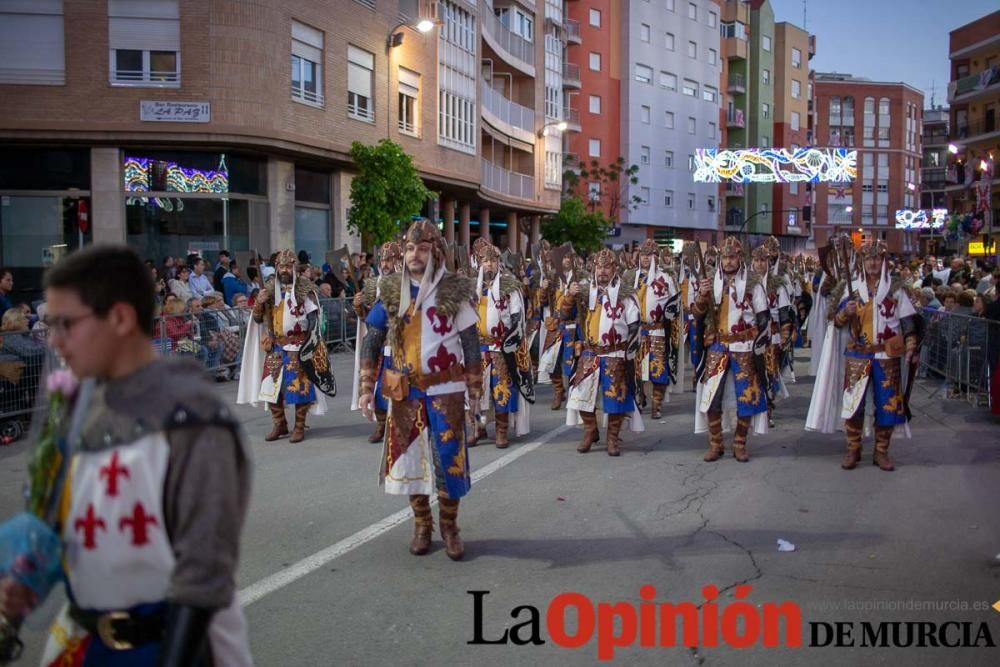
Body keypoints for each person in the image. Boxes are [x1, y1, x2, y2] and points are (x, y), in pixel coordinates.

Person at [0, 245, 252, 665]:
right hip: (83, 641)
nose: (54, 340)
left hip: (163, 646)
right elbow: (67, 522)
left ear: (119, 318)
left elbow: (203, 573)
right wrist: (25, 583)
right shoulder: (79, 405)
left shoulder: (193, 420)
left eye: (66, 324)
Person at [357, 220, 482, 560]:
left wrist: (475, 390)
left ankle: (450, 526)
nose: (414, 254)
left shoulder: (454, 290)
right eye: (410, 248)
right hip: (405, 392)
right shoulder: (391, 291)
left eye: (422, 248)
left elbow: (471, 344)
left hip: (447, 389)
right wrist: (367, 387)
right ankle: (422, 525)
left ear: (435, 252)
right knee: (410, 460)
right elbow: (372, 340)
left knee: (448, 461)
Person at [834, 240, 920, 471]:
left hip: (886, 355)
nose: (872, 262)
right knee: (854, 405)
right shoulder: (851, 288)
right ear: (862, 261)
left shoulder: (895, 288)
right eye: (868, 258)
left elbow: (908, 321)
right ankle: (853, 448)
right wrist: (845, 312)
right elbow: (836, 321)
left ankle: (881, 452)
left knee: (888, 405)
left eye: (876, 258)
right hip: (858, 355)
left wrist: (911, 346)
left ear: (883, 262)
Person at [238, 249, 335, 443]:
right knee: (270, 388)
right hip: (276, 346)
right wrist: (259, 302)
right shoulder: (269, 290)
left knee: (299, 388)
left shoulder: (305, 289)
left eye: (287, 266)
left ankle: (299, 427)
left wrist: (312, 344)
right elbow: (257, 318)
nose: (284, 270)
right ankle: (279, 424)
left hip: (298, 345)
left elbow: (314, 318)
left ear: (294, 268)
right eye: (280, 266)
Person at [692, 236, 771, 463]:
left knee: (746, 399)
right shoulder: (710, 281)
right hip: (718, 346)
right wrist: (701, 295)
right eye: (725, 257)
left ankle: (739, 444)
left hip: (744, 347)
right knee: (712, 399)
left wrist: (759, 345)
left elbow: (763, 317)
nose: (728, 261)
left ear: (740, 258)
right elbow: (697, 313)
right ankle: (716, 444)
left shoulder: (753, 282)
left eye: (732, 257)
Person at [563, 248, 643, 456]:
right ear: (593, 268)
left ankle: (612, 438)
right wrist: (570, 297)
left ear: (615, 268)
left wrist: (631, 351)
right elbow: (564, 314)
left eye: (607, 267)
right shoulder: (583, 291)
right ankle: (590, 430)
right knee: (580, 394)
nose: (602, 271)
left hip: (615, 352)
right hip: (590, 352)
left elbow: (635, 324)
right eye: (599, 266)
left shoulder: (626, 293)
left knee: (615, 398)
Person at [467, 239, 532, 448]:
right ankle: (479, 428)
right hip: (477, 349)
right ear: (479, 264)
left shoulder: (509, 286)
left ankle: (502, 432)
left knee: (502, 390)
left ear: (498, 263)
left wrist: (510, 339)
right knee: (476, 393)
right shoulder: (471, 288)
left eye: (493, 261)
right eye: (485, 262)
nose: (489, 265)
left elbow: (516, 316)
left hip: (501, 348)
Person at [350, 242, 402, 443]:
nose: (385, 264)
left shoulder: (410, 285)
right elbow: (371, 322)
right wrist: (359, 308)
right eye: (382, 259)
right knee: (380, 392)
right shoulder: (374, 286)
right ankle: (381, 425)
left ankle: (399, 427)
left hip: (405, 350)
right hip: (383, 348)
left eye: (389, 259)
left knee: (400, 393)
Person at [630, 239, 679, 419]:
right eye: (643, 255)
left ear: (655, 257)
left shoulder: (665, 278)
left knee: (658, 369)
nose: (645, 258)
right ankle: (640, 396)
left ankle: (656, 404)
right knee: (637, 368)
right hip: (637, 330)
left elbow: (675, 304)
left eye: (649, 255)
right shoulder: (630, 277)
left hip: (658, 329)